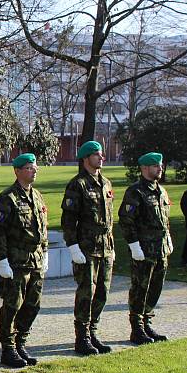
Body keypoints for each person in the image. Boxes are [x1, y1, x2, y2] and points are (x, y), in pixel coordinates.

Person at [0, 153, 49, 368]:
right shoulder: (8, 198)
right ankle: (8, 348)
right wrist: (1, 260)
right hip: (16, 263)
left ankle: (20, 342)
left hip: (36, 261)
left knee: (33, 304)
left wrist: (45, 252)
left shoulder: (37, 196)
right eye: (29, 167)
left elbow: (43, 229)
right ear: (17, 171)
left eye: (35, 167)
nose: (35, 170)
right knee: (12, 305)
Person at [60, 140, 115, 356]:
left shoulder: (106, 183)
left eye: (101, 154)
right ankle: (81, 337)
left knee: (102, 291)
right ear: (86, 159)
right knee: (86, 292)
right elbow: (68, 220)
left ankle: (93, 332)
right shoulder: (78, 185)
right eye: (96, 155)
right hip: (86, 248)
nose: (101, 158)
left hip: (105, 247)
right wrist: (73, 246)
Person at [118, 152, 172, 345]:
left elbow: (164, 220)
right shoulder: (136, 192)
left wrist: (169, 241)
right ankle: (137, 328)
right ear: (145, 168)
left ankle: (147, 322)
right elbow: (126, 220)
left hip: (161, 250)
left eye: (160, 165)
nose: (160, 168)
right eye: (156, 166)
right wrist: (134, 246)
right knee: (140, 288)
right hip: (144, 250)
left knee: (155, 288)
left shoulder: (161, 191)